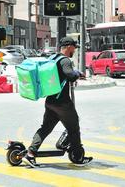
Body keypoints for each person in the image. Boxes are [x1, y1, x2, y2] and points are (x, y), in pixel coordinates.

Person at [23, 37, 93, 168]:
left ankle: (30, 154)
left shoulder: (53, 58)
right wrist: (77, 73)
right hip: (62, 103)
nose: (74, 50)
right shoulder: (65, 60)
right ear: (68, 47)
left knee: (45, 128)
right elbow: (70, 75)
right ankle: (78, 157)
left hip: (50, 100)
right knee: (74, 128)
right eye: (73, 47)